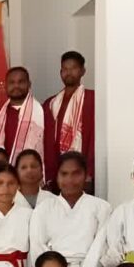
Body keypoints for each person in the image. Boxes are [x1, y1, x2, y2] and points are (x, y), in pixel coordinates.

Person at [30, 152, 112, 267]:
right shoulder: (43, 209)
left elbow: (100, 247)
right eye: (64, 174)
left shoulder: (102, 207)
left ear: (86, 175)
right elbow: (37, 246)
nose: (70, 180)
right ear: (57, 177)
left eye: (76, 174)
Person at [44, 51, 95, 190]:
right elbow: (46, 141)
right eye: (65, 69)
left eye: (73, 68)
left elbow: (95, 138)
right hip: (57, 170)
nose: (69, 73)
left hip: (83, 169)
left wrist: (89, 172)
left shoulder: (91, 99)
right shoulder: (51, 103)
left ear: (83, 71)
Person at [0, 67, 55, 169]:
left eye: (21, 82)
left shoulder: (42, 113)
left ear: (29, 84)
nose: (16, 86)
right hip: (6, 173)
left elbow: (50, 149)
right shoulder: (1, 115)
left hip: (31, 171)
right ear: (5, 86)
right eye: (12, 82)